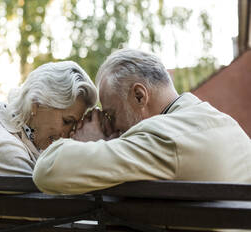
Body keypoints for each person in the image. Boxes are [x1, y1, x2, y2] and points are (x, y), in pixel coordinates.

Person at [33, 48, 251, 195]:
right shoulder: (225, 123)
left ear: (139, 95)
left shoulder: (163, 137)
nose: (111, 127)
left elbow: (47, 169)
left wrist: (89, 141)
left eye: (110, 114)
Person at [0, 61, 97, 182]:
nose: (69, 133)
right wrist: (89, 150)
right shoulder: (1, 148)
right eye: (67, 121)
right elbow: (58, 208)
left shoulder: (9, 134)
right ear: (36, 104)